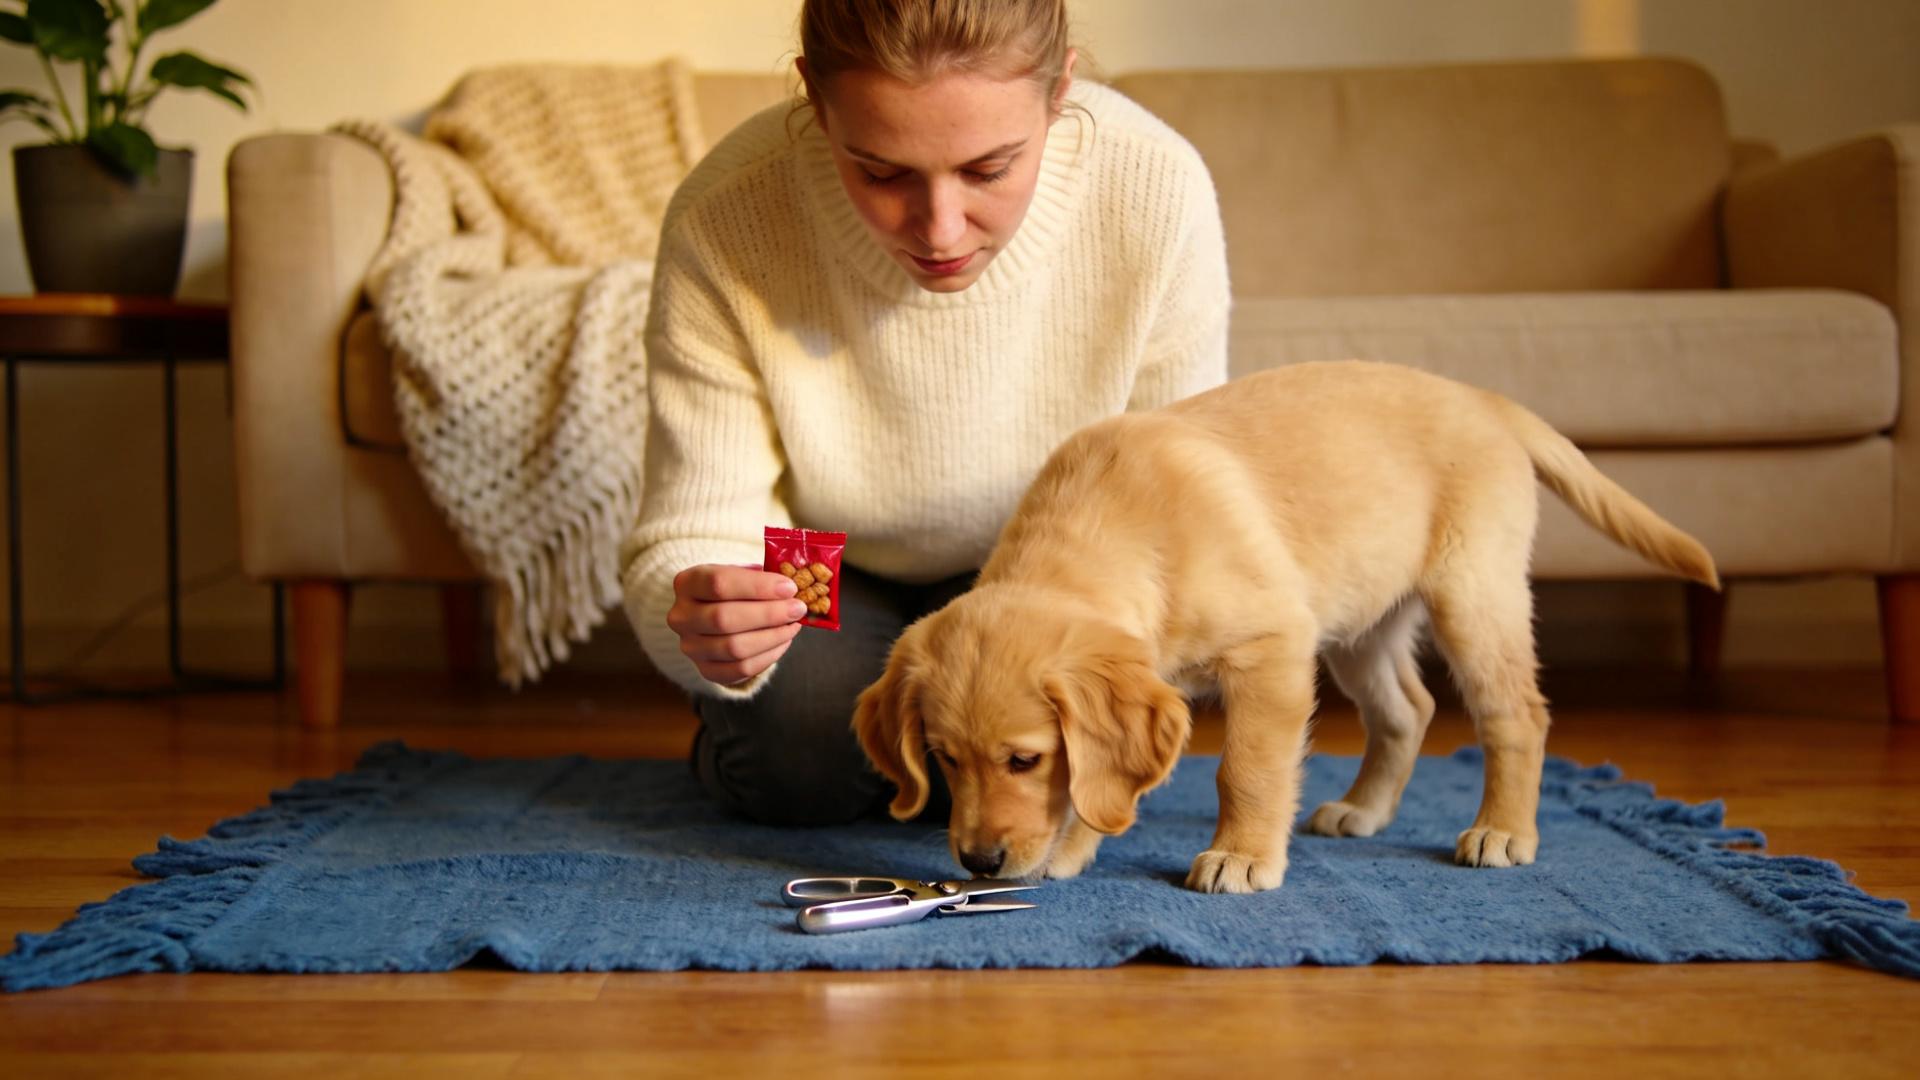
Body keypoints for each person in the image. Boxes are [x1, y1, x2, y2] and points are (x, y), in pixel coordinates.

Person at [620, 0, 1230, 826]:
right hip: (830, 557)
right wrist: (708, 619)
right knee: (805, 758)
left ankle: (943, 761)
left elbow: (1173, 512)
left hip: (1056, 572)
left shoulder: (1155, 184)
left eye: (989, 170)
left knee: (1001, 748)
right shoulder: (727, 216)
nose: (940, 231)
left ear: (1060, 92)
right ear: (815, 100)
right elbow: (699, 529)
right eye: (880, 171)